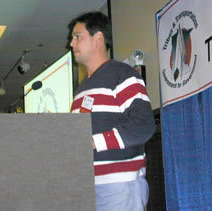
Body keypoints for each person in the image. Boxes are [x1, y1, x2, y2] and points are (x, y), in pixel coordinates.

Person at [67, 11, 155, 211]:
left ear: (98, 38)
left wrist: (94, 141)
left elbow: (144, 125)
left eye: (77, 36)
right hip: (87, 187)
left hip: (119, 186)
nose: (71, 43)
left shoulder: (123, 75)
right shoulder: (81, 90)